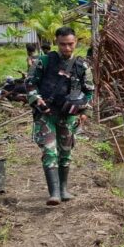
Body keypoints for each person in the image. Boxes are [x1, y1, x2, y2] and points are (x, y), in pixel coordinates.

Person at [26, 27, 93, 206]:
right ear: (57, 42)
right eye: (63, 44)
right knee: (49, 151)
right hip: (46, 115)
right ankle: (54, 193)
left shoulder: (82, 66)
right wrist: (38, 101)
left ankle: (63, 189)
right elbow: (30, 84)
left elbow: (89, 91)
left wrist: (83, 110)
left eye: (70, 44)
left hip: (68, 116)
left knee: (66, 153)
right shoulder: (44, 62)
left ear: (76, 42)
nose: (67, 48)